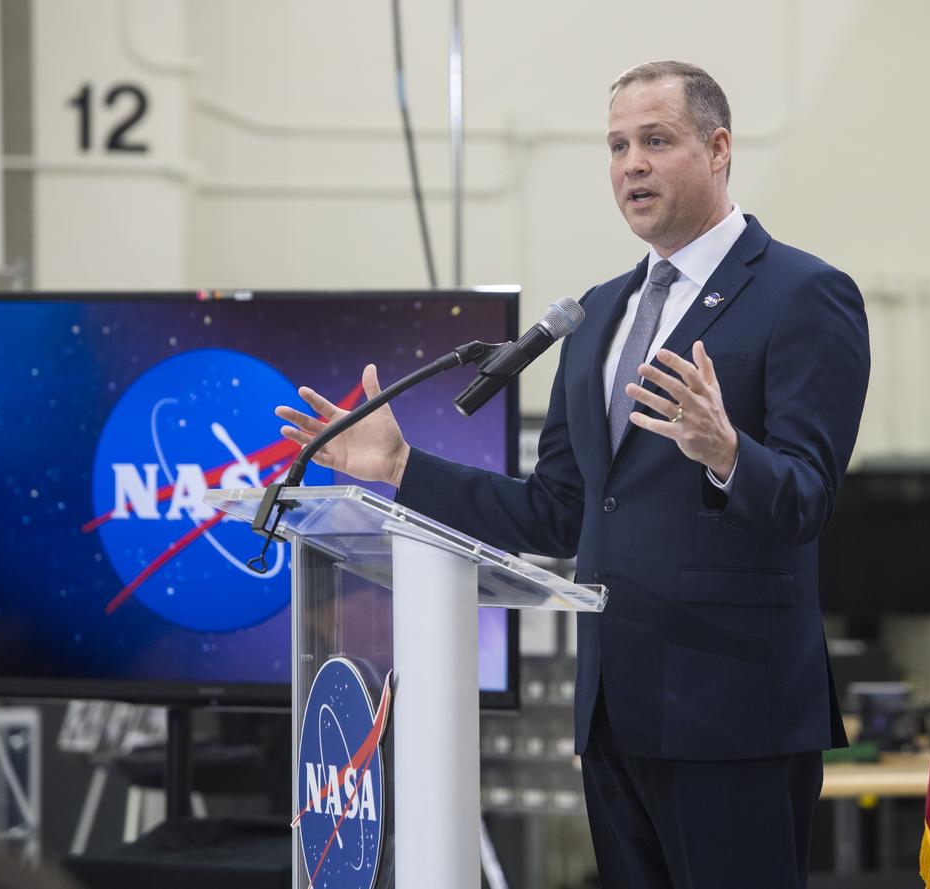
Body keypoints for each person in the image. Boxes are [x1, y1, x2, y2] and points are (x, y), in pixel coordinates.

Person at [277, 60, 870, 889]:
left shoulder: (805, 294)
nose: (631, 163)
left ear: (720, 147)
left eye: (656, 141)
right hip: (613, 715)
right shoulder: (597, 316)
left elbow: (808, 498)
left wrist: (728, 452)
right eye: (618, 144)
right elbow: (559, 512)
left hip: (736, 716)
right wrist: (402, 468)